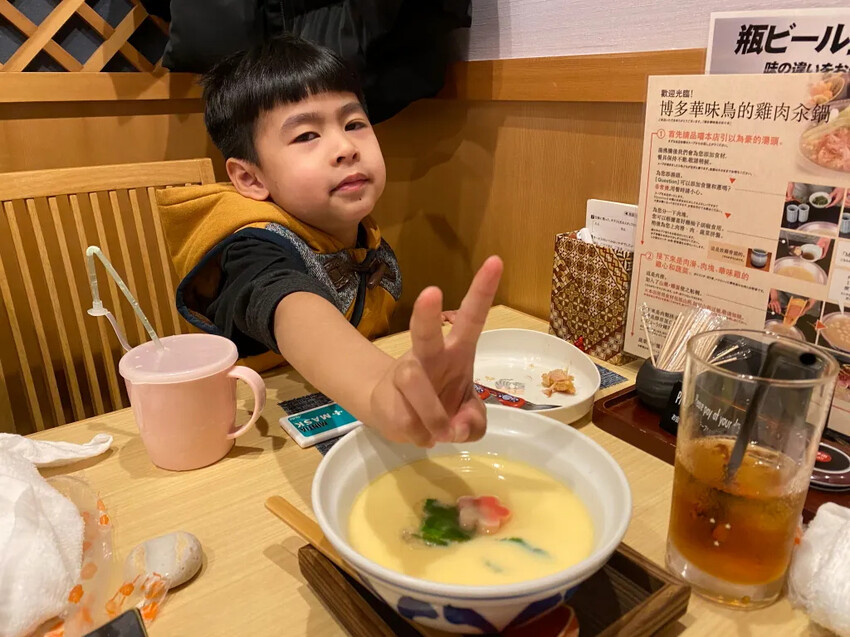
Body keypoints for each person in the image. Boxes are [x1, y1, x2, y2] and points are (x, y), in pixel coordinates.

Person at [157, 35, 503, 447]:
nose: (345, 147)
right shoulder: (251, 249)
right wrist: (379, 388)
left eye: (354, 124)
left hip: (351, 424)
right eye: (306, 135)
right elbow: (289, 306)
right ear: (250, 178)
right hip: (259, 432)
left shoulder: (356, 230)